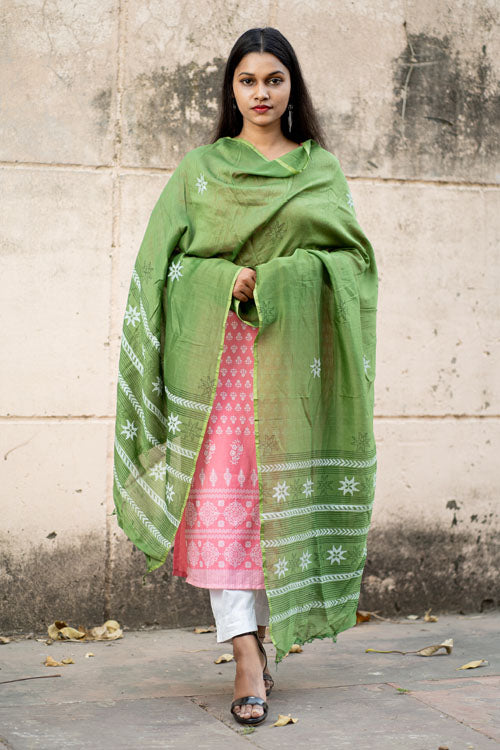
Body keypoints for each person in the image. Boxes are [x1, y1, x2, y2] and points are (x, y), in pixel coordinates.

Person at [112, 27, 378, 727]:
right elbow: (159, 267)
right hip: (219, 366)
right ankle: (245, 655)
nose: (261, 93)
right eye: (247, 81)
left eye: (274, 80)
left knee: (275, 511)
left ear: (293, 88)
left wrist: (285, 279)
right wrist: (226, 279)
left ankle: (264, 634)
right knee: (225, 513)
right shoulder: (199, 171)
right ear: (230, 90)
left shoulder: (320, 171)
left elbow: (352, 266)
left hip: (295, 368)